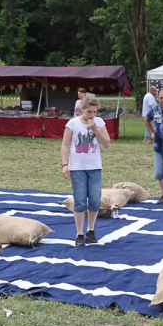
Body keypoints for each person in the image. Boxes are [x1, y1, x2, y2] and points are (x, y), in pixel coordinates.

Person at [60, 97, 111, 247]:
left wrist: (95, 128)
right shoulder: (72, 123)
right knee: (80, 201)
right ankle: (79, 233)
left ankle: (91, 230)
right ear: (82, 109)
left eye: (94, 112)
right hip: (77, 167)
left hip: (95, 167)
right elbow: (64, 144)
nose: (92, 115)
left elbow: (107, 143)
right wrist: (64, 164)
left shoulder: (99, 122)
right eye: (89, 111)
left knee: (95, 201)